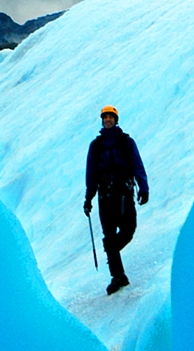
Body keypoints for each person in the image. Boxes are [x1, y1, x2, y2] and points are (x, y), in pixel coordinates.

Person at [83, 105, 149, 295]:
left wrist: (143, 188)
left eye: (111, 117)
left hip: (124, 194)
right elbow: (91, 173)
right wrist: (88, 198)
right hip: (105, 196)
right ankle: (118, 276)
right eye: (105, 117)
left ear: (116, 120)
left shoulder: (126, 142)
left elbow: (137, 165)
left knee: (128, 230)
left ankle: (111, 251)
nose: (108, 120)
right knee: (110, 235)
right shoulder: (96, 146)